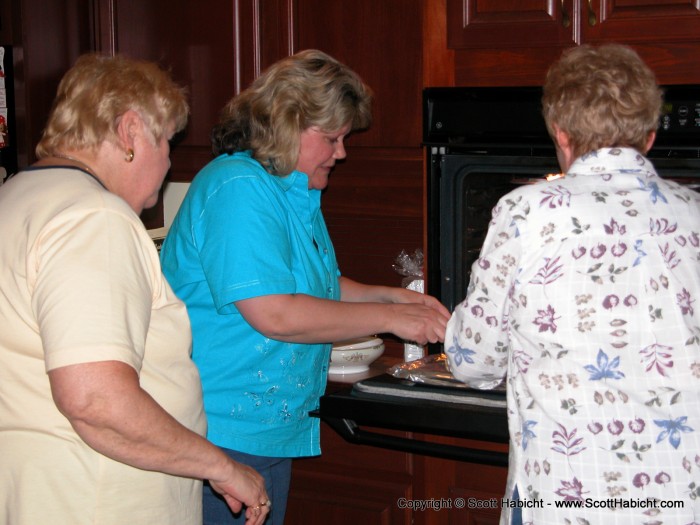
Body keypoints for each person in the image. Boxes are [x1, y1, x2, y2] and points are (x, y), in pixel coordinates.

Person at [160, 49, 450, 524]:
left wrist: (392, 296)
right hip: (217, 432)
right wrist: (392, 318)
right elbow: (276, 312)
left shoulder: (290, 190)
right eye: (333, 138)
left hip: (263, 429)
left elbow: (318, 286)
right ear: (288, 123)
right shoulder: (237, 187)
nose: (342, 152)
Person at [0, 53, 270, 525]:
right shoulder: (93, 217)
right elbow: (97, 400)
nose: (168, 159)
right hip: (96, 501)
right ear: (128, 133)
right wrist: (220, 466)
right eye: (165, 139)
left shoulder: (17, 197)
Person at [445, 44, 700, 524]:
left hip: (564, 493)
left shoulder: (527, 211)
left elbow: (472, 360)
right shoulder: (694, 212)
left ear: (560, 134)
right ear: (648, 138)